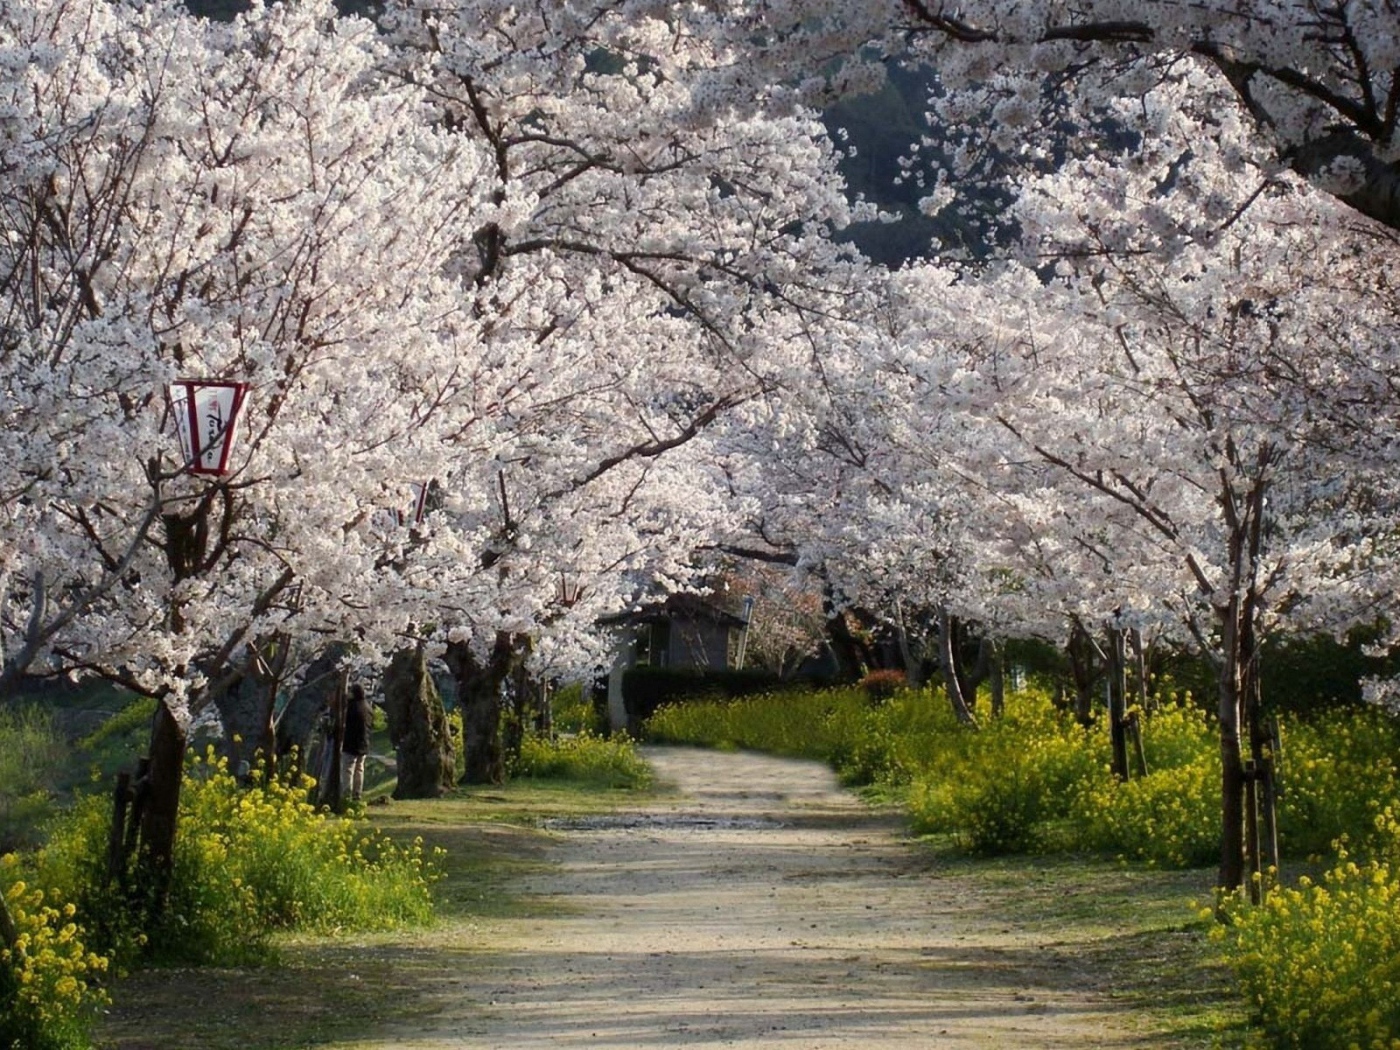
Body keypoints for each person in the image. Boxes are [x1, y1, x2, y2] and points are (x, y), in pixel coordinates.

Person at [342, 682, 373, 802]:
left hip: (351, 743)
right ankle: (357, 794)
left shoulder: (351, 707)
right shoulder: (368, 707)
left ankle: (346, 794)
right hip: (364, 743)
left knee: (348, 769)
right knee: (359, 769)